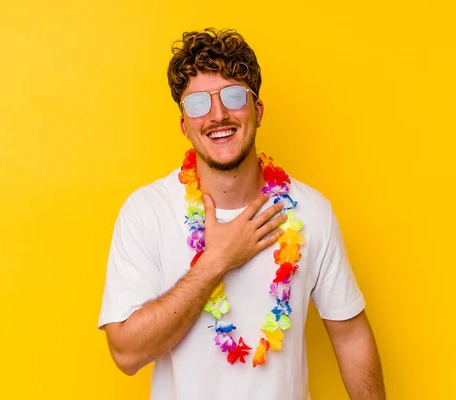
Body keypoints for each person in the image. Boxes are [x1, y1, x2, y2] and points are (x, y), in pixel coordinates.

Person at [98, 28, 385, 400]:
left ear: (258, 110)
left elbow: (351, 336)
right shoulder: (146, 212)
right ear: (185, 125)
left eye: (233, 97)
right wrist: (216, 260)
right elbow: (126, 353)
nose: (218, 115)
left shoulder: (311, 211)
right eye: (199, 103)